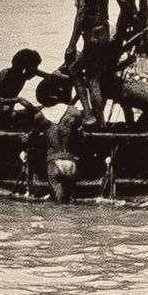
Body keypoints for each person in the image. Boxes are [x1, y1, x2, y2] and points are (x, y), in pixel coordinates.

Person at [57, 0, 128, 120]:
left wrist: (72, 44)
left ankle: (91, 116)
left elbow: (81, 12)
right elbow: (123, 1)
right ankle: (97, 119)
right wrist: (121, 30)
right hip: (104, 32)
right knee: (94, 77)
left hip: (92, 36)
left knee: (81, 74)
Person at [35, 72, 88, 203]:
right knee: (71, 202)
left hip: (54, 162)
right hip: (71, 162)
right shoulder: (73, 112)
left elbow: (34, 136)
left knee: (58, 205)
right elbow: (80, 127)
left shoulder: (40, 116)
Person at [0, 48, 49, 128]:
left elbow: (47, 76)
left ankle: (16, 123)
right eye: (34, 67)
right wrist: (18, 99)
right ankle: (14, 123)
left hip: (9, 114)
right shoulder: (5, 74)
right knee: (6, 108)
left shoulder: (25, 74)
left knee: (40, 112)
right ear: (25, 67)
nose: (35, 71)